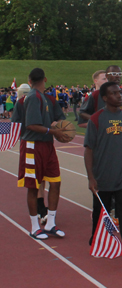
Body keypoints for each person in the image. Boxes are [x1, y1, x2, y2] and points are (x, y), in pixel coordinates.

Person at [84, 81, 122, 269]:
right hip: (103, 176)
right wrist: (91, 177)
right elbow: (89, 150)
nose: (119, 96)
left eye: (119, 92)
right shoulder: (96, 119)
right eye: (114, 93)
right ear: (105, 98)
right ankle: (98, 241)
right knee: (100, 213)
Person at [17, 68, 70, 240]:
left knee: (55, 182)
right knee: (33, 186)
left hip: (47, 145)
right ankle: (34, 227)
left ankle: (50, 223)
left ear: (29, 80)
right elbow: (31, 125)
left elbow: (58, 119)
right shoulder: (33, 97)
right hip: (33, 145)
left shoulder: (47, 99)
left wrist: (61, 128)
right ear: (45, 79)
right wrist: (54, 131)